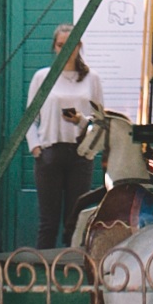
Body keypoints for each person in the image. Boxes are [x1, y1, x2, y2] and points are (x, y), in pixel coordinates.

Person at [26, 26, 104, 248]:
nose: (66, 50)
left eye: (71, 45)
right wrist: (36, 149)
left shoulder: (92, 79)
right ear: (54, 46)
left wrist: (80, 120)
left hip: (80, 154)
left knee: (75, 221)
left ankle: (72, 274)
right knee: (48, 222)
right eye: (61, 45)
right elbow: (30, 118)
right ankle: (42, 276)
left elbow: (100, 121)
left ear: (79, 47)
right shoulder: (42, 77)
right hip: (49, 152)